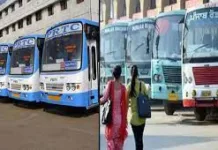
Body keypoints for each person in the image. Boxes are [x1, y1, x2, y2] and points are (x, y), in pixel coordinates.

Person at [100, 65, 128, 150]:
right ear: (120, 74)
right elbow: (125, 104)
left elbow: (104, 98)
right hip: (119, 119)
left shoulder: (110, 84)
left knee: (110, 142)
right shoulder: (123, 88)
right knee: (118, 143)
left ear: (113, 74)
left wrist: (98, 101)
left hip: (111, 118)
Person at [127, 65, 148, 150]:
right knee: (140, 139)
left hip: (133, 118)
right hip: (142, 117)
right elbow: (147, 97)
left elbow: (125, 100)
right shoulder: (142, 85)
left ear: (131, 74)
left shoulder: (129, 86)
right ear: (137, 73)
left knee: (137, 140)